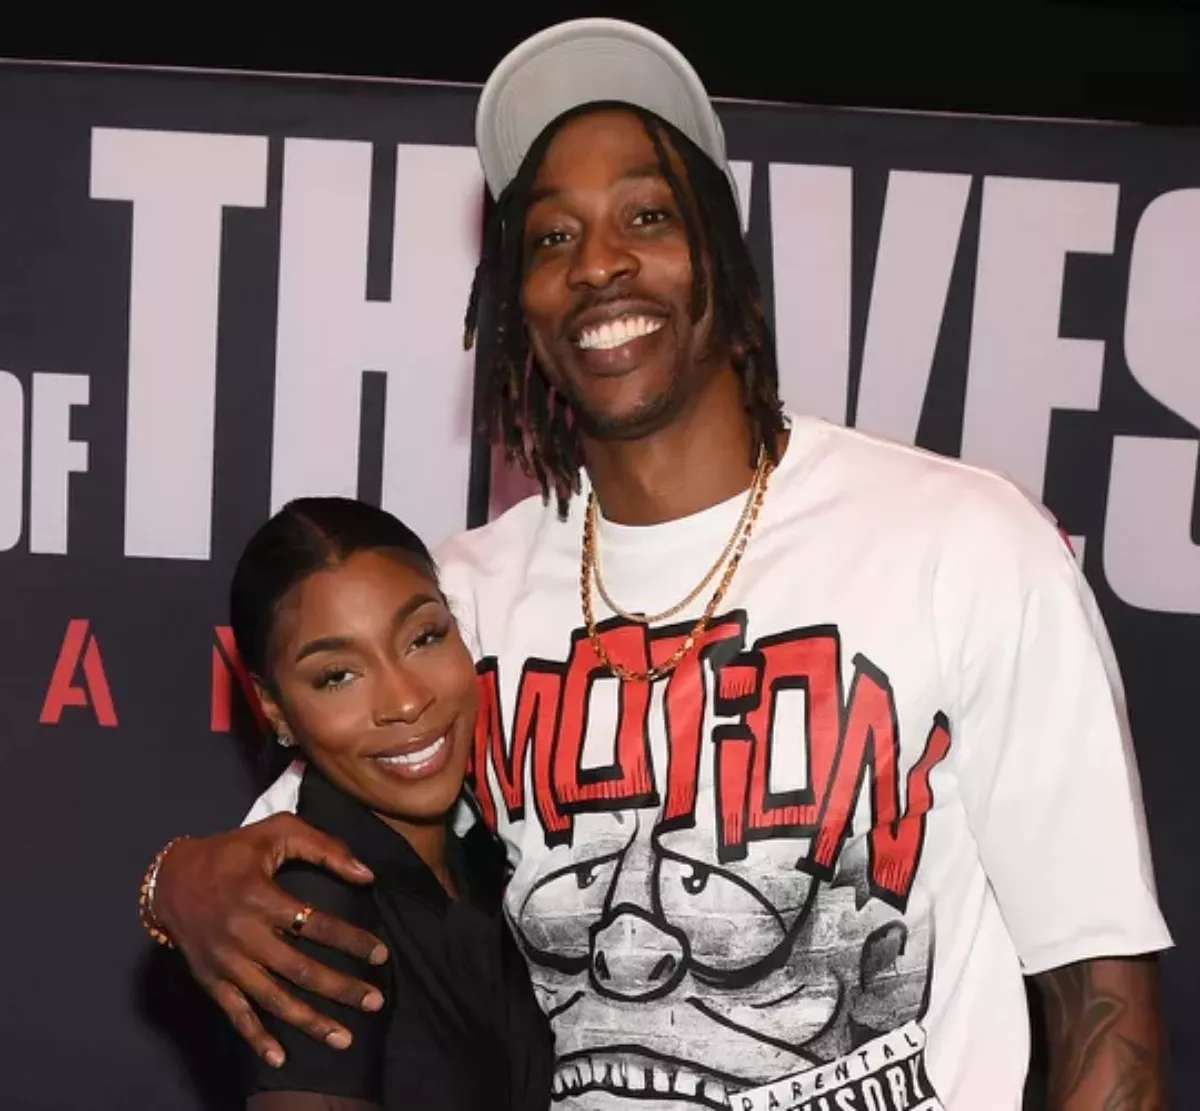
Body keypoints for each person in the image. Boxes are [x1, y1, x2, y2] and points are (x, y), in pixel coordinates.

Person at [141, 17, 1173, 1111]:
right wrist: (170, 884)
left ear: (718, 256)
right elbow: (270, 866)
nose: (598, 263)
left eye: (647, 215)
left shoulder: (963, 544)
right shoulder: (465, 603)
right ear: (518, 302)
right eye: (552, 237)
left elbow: (1103, 1006)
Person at [208, 495, 553, 1110]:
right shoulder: (313, 913)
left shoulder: (484, 857)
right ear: (274, 708)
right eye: (338, 676)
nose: (405, 701)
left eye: (423, 638)